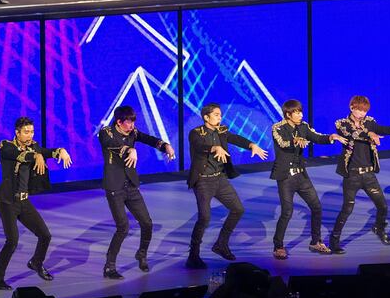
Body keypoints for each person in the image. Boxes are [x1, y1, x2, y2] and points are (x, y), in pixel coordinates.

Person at [0, 117, 72, 290]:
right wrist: (36, 155)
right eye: (26, 132)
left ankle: (36, 262)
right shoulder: (6, 146)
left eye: (32, 132)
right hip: (7, 201)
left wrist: (60, 151)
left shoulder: (34, 147)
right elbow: (20, 156)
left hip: (23, 200)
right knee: (12, 241)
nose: (30, 135)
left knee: (45, 235)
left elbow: (46, 151)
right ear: (17, 132)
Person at [185, 103, 268, 269]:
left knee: (238, 209)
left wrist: (252, 145)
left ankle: (221, 244)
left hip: (220, 179)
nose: (219, 117)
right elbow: (199, 146)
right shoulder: (196, 133)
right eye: (216, 115)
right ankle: (193, 255)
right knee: (205, 218)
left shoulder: (221, 130)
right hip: (203, 181)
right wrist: (214, 147)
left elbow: (235, 138)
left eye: (220, 114)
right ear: (206, 117)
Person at [98, 105, 176, 279]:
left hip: (131, 186)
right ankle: (109, 266)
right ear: (119, 122)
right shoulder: (106, 132)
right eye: (129, 121)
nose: (132, 125)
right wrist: (129, 149)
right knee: (123, 227)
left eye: (134, 121)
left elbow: (149, 139)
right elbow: (111, 145)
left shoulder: (133, 132)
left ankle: (141, 254)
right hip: (114, 187)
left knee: (147, 223)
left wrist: (165, 146)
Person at [329, 95, 390, 254]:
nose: (362, 113)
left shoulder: (370, 122)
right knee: (347, 209)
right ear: (352, 108)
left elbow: (382, 129)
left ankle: (379, 228)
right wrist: (370, 135)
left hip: (368, 175)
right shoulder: (341, 123)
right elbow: (352, 134)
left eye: (365, 110)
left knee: (383, 206)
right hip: (352, 176)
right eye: (359, 110)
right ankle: (334, 241)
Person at [270, 99, 347, 260]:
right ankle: (278, 246)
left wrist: (331, 137)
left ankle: (315, 241)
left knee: (316, 207)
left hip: (301, 176)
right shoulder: (278, 128)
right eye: (296, 112)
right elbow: (282, 143)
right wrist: (294, 140)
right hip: (285, 177)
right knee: (287, 212)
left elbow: (317, 137)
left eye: (300, 112)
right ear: (288, 114)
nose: (300, 115)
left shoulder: (303, 126)